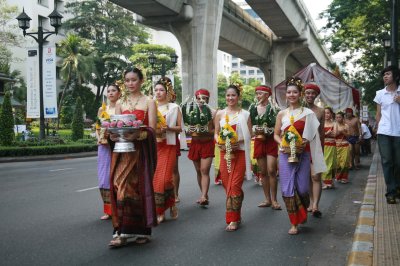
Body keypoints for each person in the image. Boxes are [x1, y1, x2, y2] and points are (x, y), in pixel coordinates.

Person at [108, 67, 158, 247]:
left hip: (139, 153)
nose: (130, 83)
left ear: (141, 81)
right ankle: (120, 230)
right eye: (127, 80)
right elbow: (114, 125)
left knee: (137, 189)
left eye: (133, 80)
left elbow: (152, 129)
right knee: (118, 186)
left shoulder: (149, 102)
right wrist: (112, 135)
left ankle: (142, 230)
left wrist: (137, 135)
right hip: (121, 153)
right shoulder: (120, 103)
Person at [274, 77, 325, 235]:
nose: (291, 94)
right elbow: (276, 134)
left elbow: (313, 135)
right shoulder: (281, 114)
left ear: (300, 94)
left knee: (303, 188)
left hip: (303, 154)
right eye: (288, 92)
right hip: (285, 154)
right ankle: (294, 222)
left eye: (295, 92)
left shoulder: (308, 113)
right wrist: (282, 143)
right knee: (287, 188)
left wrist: (304, 141)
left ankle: (303, 211)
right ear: (286, 95)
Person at [214, 84, 252, 232]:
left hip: (240, 153)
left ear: (238, 97)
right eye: (228, 95)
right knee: (226, 184)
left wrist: (237, 142)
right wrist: (220, 142)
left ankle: (233, 219)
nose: (230, 98)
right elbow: (216, 133)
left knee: (234, 185)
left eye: (233, 95)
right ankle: (238, 205)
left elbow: (250, 135)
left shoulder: (245, 114)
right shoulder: (220, 114)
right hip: (225, 154)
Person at [153, 77, 182, 223]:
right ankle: (167, 205)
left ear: (167, 92)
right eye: (156, 90)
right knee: (156, 179)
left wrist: (168, 128)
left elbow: (180, 128)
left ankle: (161, 210)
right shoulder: (151, 107)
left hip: (168, 145)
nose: (158, 92)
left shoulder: (174, 108)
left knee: (164, 179)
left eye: (161, 90)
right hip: (153, 146)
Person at [250, 85, 281, 210]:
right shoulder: (253, 108)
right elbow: (251, 125)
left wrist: (268, 130)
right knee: (263, 172)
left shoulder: (274, 108)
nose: (258, 96)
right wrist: (255, 130)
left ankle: (274, 200)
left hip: (271, 141)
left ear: (267, 95)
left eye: (260, 93)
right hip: (258, 141)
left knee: (271, 170)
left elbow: (279, 127)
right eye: (257, 93)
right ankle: (267, 199)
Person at [374, 65, 400, 204]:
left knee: (398, 162)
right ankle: (391, 192)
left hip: (398, 132)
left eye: (388, 74)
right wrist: (378, 128)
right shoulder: (380, 94)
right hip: (384, 132)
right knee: (387, 162)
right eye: (384, 74)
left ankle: (397, 187)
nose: (385, 76)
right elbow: (378, 114)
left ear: (395, 76)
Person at [187, 89, 216, 206]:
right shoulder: (191, 112)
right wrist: (190, 130)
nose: (201, 101)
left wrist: (207, 131)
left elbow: (216, 130)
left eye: (204, 98)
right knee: (199, 171)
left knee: (204, 170)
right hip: (195, 144)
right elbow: (187, 129)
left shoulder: (213, 112)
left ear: (208, 100)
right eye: (199, 98)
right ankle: (204, 194)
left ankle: (204, 195)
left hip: (207, 144)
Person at [95, 84, 120, 220]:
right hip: (104, 146)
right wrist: (99, 139)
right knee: (104, 178)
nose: (110, 93)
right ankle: (108, 209)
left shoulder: (121, 108)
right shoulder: (102, 109)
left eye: (113, 91)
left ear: (119, 93)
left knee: (117, 177)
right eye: (108, 91)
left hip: (117, 145)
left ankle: (119, 208)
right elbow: (97, 127)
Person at [303, 82, 325, 218]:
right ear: (303, 94)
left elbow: (321, 132)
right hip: (302, 146)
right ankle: (311, 202)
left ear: (316, 95)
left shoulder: (320, 111)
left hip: (315, 146)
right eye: (307, 93)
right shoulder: (298, 109)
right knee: (307, 178)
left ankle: (316, 205)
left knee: (316, 176)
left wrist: (321, 149)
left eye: (313, 93)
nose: (310, 95)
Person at [321, 107, 337, 189]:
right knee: (326, 163)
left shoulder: (334, 124)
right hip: (323, 145)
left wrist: (325, 134)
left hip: (332, 145)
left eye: (328, 113)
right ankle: (326, 182)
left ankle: (330, 181)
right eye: (325, 113)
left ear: (331, 114)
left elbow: (335, 135)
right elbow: (320, 135)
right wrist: (327, 133)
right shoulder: (321, 123)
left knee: (332, 163)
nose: (326, 115)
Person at [335, 111, 350, 184]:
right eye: (337, 117)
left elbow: (348, 136)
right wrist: (338, 132)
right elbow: (332, 135)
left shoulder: (346, 126)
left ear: (343, 118)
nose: (338, 119)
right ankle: (338, 176)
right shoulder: (334, 125)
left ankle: (344, 177)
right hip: (336, 146)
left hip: (345, 145)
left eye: (339, 117)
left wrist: (343, 132)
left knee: (344, 162)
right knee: (337, 163)